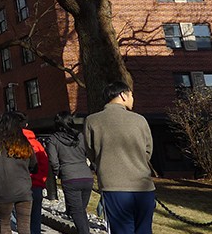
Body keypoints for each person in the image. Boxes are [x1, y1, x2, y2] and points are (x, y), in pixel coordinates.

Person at [85, 81, 155, 234]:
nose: (132, 99)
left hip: (113, 186)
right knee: (144, 229)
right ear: (123, 95)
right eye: (131, 95)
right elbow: (148, 151)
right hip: (143, 185)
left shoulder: (92, 120)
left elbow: (91, 153)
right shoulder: (140, 120)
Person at [0, 112, 38, 234]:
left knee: (4, 224)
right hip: (23, 189)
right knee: (24, 226)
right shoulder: (24, 143)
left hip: (3, 189)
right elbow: (33, 166)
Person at [47, 111, 94, 234]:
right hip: (86, 176)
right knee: (81, 210)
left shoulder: (53, 139)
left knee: (77, 211)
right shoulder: (80, 136)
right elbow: (88, 153)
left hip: (69, 177)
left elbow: (53, 160)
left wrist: (59, 172)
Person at [15, 112, 49, 234]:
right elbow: (45, 164)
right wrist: (41, 180)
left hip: (20, 186)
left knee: (22, 219)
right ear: (27, 125)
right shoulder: (37, 144)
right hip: (36, 184)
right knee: (36, 218)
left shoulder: (14, 144)